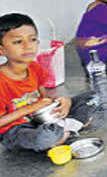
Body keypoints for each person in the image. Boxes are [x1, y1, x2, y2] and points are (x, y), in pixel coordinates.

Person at [0, 13, 97, 152]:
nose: (28, 46)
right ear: (2, 50)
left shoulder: (35, 68)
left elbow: (45, 99)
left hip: (41, 118)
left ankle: (61, 131)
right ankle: (69, 128)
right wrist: (31, 108)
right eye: (17, 42)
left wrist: (62, 102)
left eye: (32, 39)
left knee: (93, 97)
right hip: (16, 129)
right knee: (43, 138)